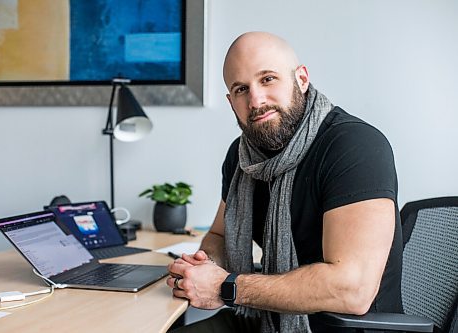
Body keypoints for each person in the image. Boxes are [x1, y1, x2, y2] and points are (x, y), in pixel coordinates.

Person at [166, 31, 403, 333]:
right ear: (231, 101)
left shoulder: (354, 146)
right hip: (264, 318)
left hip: (343, 327)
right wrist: (203, 264)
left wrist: (226, 287)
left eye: (267, 79)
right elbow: (219, 235)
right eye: (241, 89)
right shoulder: (242, 158)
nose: (256, 100)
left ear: (301, 79)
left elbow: (352, 290)